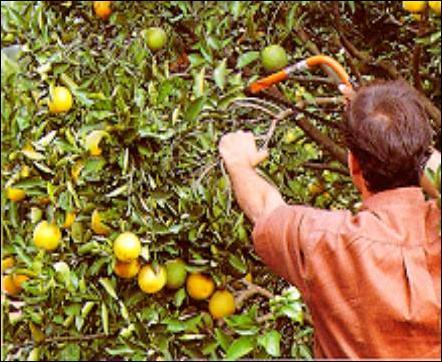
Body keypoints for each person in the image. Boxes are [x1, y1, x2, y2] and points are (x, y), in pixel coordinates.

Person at [219, 79, 441, 359]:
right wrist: (400, 139)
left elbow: (264, 208)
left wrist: (238, 162)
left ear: (353, 164)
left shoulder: (326, 240)